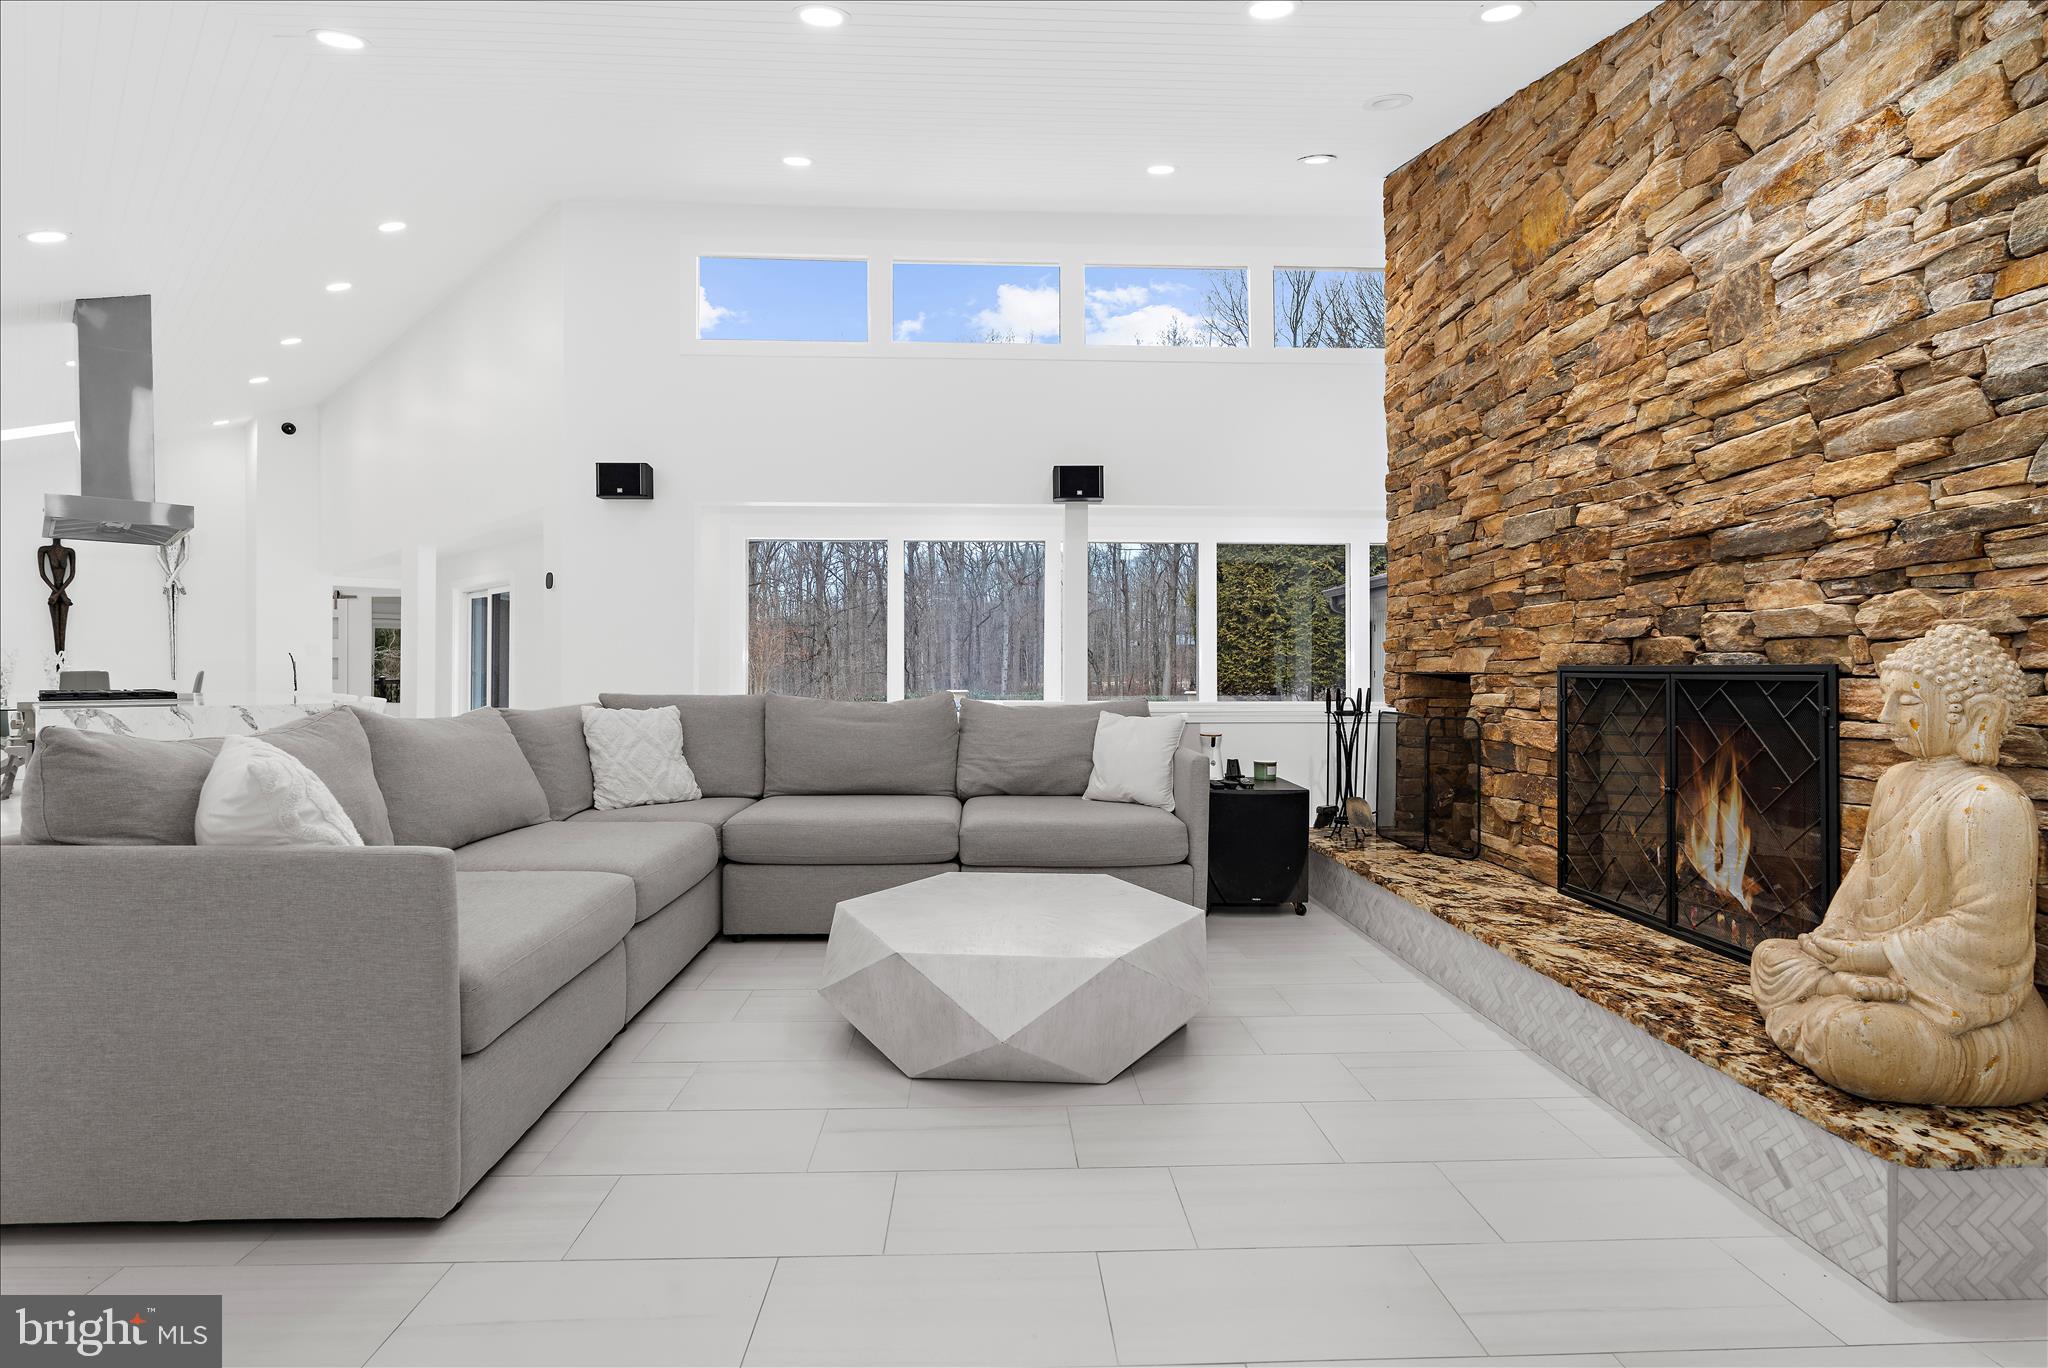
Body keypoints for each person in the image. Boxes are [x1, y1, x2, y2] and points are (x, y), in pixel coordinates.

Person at [1750, 623, 2048, 1106]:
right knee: (1769, 958)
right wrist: (1833, 939)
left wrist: (1873, 957)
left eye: (1906, 702)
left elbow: (1990, 936)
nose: (1884, 715)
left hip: (1952, 999)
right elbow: (1865, 871)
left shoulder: (1989, 801)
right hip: (1867, 961)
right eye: (1887, 699)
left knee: (1860, 1035)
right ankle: (1838, 992)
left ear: (1978, 715)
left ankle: (1833, 1012)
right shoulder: (1893, 780)